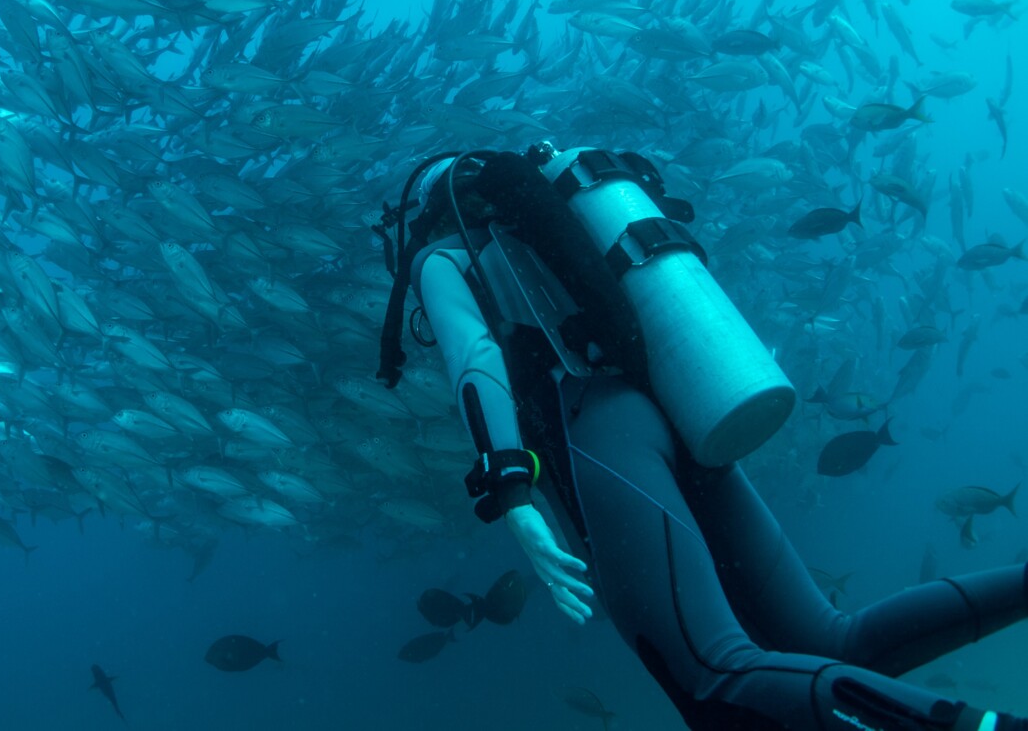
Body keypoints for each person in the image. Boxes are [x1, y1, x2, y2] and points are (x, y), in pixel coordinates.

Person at [375, 144, 1028, 731]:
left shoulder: (443, 258)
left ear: (433, 211)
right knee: (831, 641)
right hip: (677, 413)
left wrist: (513, 493)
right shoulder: (561, 237)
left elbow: (474, 358)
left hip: (600, 436)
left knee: (714, 679)